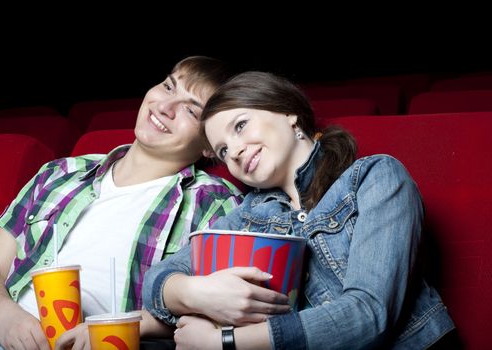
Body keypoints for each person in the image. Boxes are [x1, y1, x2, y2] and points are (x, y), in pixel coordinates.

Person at [142, 71, 457, 349]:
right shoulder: (249, 214)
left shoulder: (376, 177)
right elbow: (158, 279)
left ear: (288, 113)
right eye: (223, 150)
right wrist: (198, 295)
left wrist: (225, 342)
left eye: (240, 126)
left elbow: (368, 314)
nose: (235, 152)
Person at [0, 56, 243, 349]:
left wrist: (116, 329)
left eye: (190, 109)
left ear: (210, 145)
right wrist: (4, 317)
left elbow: (216, 314)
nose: (164, 107)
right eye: (168, 86)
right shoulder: (59, 174)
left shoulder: (215, 203)